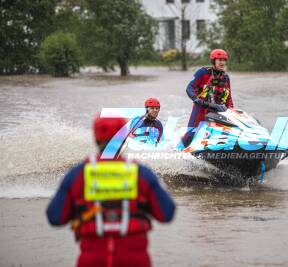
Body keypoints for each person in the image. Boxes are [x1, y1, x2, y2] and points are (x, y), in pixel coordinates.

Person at [46, 114, 175, 267]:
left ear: (95, 138)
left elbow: (55, 217)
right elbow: (166, 214)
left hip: (92, 260)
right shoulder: (141, 173)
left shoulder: (78, 174)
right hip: (135, 261)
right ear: (123, 139)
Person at [182, 49, 234, 146]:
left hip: (218, 112)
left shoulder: (226, 77)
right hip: (201, 109)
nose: (222, 62)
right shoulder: (203, 72)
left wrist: (231, 111)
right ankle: (180, 151)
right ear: (213, 61)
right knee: (191, 134)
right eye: (219, 60)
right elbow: (189, 87)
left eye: (224, 60)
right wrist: (195, 99)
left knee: (219, 135)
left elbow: (229, 98)